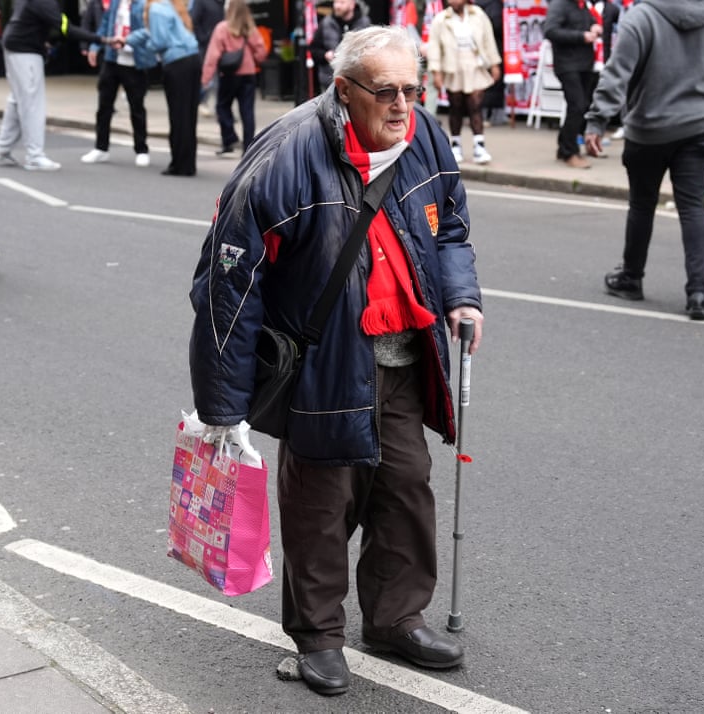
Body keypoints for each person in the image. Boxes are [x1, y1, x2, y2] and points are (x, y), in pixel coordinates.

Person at [188, 25, 483, 697]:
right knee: (322, 504)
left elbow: (453, 224)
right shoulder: (286, 157)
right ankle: (319, 637)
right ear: (345, 92)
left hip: (407, 358)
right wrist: (223, 411)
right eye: (387, 91)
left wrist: (462, 295)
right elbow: (227, 288)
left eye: (413, 88)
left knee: (406, 491)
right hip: (324, 363)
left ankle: (395, 617)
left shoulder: (425, 137)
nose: (404, 105)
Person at [583, 0, 704, 320]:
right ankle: (698, 292)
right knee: (693, 206)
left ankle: (632, 277)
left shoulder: (641, 17)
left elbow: (616, 73)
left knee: (642, 204)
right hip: (701, 126)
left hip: (649, 130)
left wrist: (597, 120)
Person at [0, 0, 113, 171]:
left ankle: (2, 147)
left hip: (15, 46)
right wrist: (102, 39)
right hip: (26, 52)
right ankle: (34, 156)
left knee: (18, 99)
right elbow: (66, 29)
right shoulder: (45, 2)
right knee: (33, 104)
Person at [127, 0, 200, 176]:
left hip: (176, 62)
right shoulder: (169, 6)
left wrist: (144, 46)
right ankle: (189, 163)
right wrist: (131, 39)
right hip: (193, 59)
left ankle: (179, 165)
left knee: (178, 115)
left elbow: (159, 41)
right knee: (189, 115)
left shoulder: (155, 9)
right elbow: (153, 32)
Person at [82, 0, 157, 167]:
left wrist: (127, 39)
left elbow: (149, 30)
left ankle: (141, 149)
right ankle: (101, 148)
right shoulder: (116, 2)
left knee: (136, 107)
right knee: (104, 105)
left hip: (134, 61)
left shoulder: (145, 4)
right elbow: (106, 23)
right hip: (112, 58)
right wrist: (95, 46)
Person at [426, 0, 501, 165]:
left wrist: (494, 64)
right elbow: (435, 48)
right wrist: (436, 72)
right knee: (456, 107)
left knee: (475, 105)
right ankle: (456, 144)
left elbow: (489, 40)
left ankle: (479, 145)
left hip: (474, 64)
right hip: (454, 66)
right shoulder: (441, 19)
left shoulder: (478, 15)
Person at [199, 0, 266, 157]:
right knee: (247, 111)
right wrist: (253, 59)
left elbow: (212, 56)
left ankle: (229, 138)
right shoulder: (250, 29)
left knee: (222, 107)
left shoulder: (222, 28)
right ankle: (248, 147)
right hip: (248, 74)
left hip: (229, 74)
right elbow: (261, 52)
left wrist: (205, 79)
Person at [543, 0, 602, 168]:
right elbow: (550, 30)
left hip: (585, 63)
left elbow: (589, 23)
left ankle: (564, 147)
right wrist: (581, 36)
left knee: (581, 106)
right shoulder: (560, 5)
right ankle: (570, 151)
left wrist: (594, 28)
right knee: (577, 105)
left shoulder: (583, 6)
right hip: (567, 64)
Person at [309, 0, 370, 94]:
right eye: (335, 2)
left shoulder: (364, 23)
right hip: (329, 82)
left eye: (342, 2)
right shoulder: (326, 23)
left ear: (352, 4)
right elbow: (314, 49)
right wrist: (325, 55)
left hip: (357, 82)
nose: (337, 6)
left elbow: (372, 50)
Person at [188, 0, 223, 115]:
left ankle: (218, 107)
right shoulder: (202, 2)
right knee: (209, 76)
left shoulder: (222, 3)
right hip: (206, 45)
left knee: (217, 78)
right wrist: (202, 38)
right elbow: (194, 20)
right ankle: (203, 101)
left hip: (220, 44)